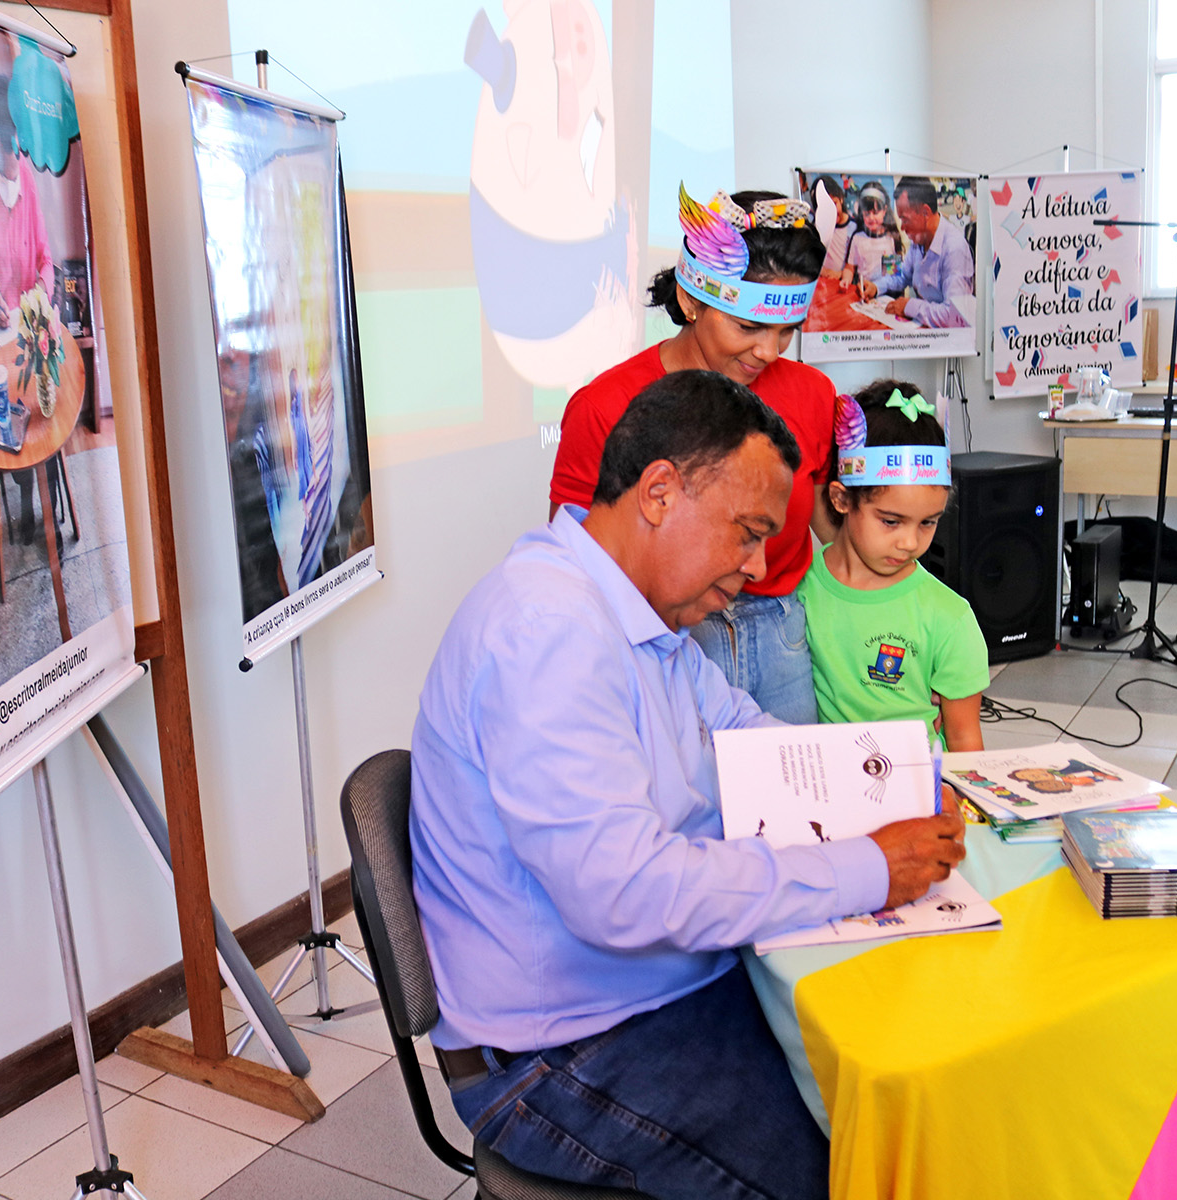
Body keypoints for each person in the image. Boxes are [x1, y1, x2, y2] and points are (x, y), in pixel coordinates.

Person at [415, 370, 967, 1199]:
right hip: (564, 1048)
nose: (757, 565)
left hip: (653, 987)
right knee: (850, 1170)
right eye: (747, 533)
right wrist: (870, 866)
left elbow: (750, 737)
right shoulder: (549, 631)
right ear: (660, 492)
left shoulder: (642, 613)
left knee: (893, 1084)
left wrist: (891, 791)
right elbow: (625, 893)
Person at [549, 183, 837, 722]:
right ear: (690, 300)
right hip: (664, 640)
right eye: (748, 326)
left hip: (783, 636)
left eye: (787, 332)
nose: (768, 351)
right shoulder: (604, 407)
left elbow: (836, 534)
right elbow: (578, 569)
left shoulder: (812, 394)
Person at [799, 381, 988, 750]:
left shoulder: (949, 617)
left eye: (928, 522)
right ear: (841, 499)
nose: (910, 542)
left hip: (921, 783)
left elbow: (965, 739)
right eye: (890, 521)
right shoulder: (799, 590)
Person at [0, 71, 56, 543]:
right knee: (12, 408)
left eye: (15, 154)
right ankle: (25, 496)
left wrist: (39, 294)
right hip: (1, 325)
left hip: (34, 320)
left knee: (48, 407)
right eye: (5, 154)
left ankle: (51, 500)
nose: (10, 164)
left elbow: (44, 256)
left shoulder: (27, 171)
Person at [857, 176, 975, 328]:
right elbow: (902, 274)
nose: (903, 227)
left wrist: (910, 306)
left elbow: (954, 316)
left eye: (905, 220)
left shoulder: (954, 249)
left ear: (925, 212)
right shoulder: (918, 241)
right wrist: (876, 287)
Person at [837, 181, 903, 291]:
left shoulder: (890, 239)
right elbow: (850, 267)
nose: (871, 218)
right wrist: (846, 280)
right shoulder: (858, 238)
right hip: (862, 292)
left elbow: (894, 276)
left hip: (885, 293)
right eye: (867, 214)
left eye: (875, 213)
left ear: (884, 210)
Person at [815, 174, 855, 274]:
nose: (831, 212)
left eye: (834, 204)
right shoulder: (816, 227)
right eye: (825, 208)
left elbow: (856, 263)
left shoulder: (854, 227)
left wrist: (841, 274)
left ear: (841, 199)